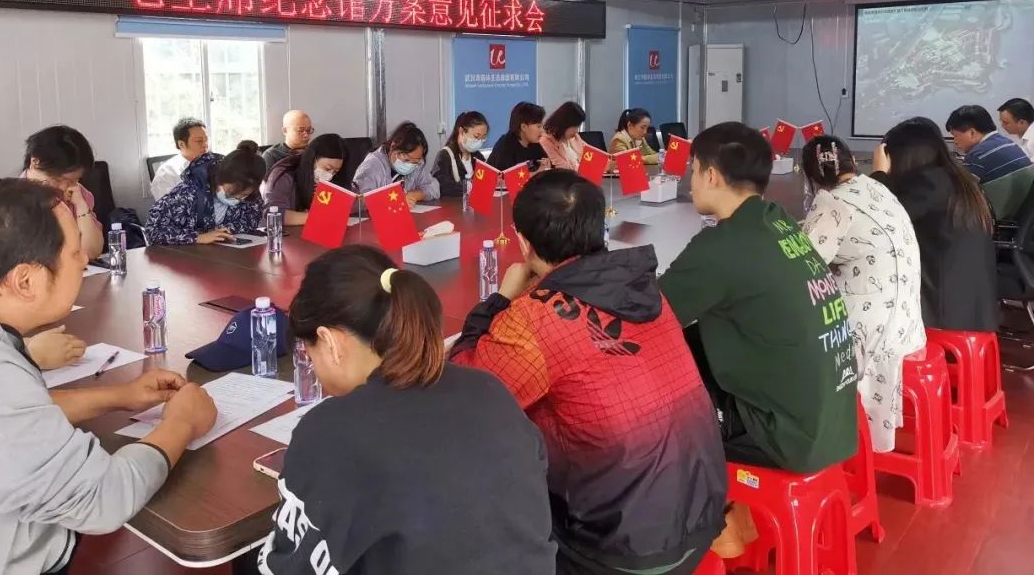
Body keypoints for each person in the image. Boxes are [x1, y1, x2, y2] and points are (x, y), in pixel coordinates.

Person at [451, 170, 727, 575]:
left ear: (524, 243)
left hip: (621, 548)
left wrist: (499, 300)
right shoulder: (645, 287)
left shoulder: (533, 318)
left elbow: (467, 389)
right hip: (702, 517)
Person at [0, 178, 217, 575]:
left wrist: (119, 396)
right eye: (75, 251)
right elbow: (102, 499)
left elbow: (6, 418)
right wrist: (182, 422)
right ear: (25, 281)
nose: (84, 261)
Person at [258, 245, 556, 575]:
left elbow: (287, 566)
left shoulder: (329, 430)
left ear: (330, 342)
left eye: (309, 353)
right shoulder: (489, 389)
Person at [658, 122, 858, 473]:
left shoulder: (724, 246)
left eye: (694, 169)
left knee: (650, 395)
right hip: (831, 422)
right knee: (693, 340)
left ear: (711, 175)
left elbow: (652, 315)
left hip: (784, 435)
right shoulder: (778, 221)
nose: (690, 180)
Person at [801, 135, 926, 453]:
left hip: (873, 337)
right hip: (909, 327)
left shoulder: (830, 204)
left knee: (792, 335)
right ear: (853, 163)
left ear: (810, 178)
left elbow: (801, 265)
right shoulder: (879, 189)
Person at [871, 118, 998, 332]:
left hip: (943, 314)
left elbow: (876, 221)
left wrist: (878, 174)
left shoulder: (927, 183)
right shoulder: (957, 179)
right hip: (971, 310)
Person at [145, 141, 265, 245]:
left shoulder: (250, 190)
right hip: (182, 258)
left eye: (244, 195)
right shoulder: (188, 193)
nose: (237, 200)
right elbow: (152, 231)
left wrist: (222, 231)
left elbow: (251, 220)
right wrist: (198, 237)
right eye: (230, 193)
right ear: (218, 178)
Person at [22, 125, 104, 258]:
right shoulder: (9, 199)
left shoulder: (78, 193)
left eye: (74, 180)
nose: (63, 187)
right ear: (35, 162)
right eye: (57, 179)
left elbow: (91, 252)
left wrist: (81, 206)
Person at [263, 134, 347, 226]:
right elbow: (274, 214)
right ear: (312, 159)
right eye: (327, 168)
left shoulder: (331, 179)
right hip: (284, 233)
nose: (330, 175)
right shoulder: (283, 174)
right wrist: (317, 216)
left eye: (335, 171)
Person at [352, 122, 439, 207]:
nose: (410, 165)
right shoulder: (372, 165)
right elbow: (359, 202)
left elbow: (434, 188)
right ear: (393, 146)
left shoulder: (417, 164)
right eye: (406, 159)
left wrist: (415, 195)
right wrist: (395, 199)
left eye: (415, 162)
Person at [945, 104, 1031, 183]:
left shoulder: (977, 155)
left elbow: (962, 189)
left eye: (955, 135)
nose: (955, 141)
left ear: (972, 133)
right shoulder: (1007, 142)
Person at [150, 117, 209, 200]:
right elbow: (169, 207)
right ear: (181, 144)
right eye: (199, 141)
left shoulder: (211, 164)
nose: (205, 144)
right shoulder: (166, 174)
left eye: (206, 139)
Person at [433, 111, 489, 197]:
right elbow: (440, 185)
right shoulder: (445, 155)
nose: (479, 142)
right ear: (461, 131)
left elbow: (484, 178)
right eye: (476, 136)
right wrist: (468, 186)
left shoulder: (477, 156)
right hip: (453, 204)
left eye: (483, 138)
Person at [487, 101, 551, 172]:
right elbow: (508, 177)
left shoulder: (535, 143)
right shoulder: (505, 146)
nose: (542, 130)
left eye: (542, 126)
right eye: (538, 126)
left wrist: (546, 165)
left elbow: (544, 165)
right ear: (523, 127)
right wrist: (538, 172)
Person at [261, 110, 315, 177]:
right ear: (285, 131)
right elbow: (267, 182)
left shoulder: (314, 152)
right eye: (300, 130)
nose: (306, 135)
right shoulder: (271, 155)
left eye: (309, 130)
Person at [540, 101, 589, 171]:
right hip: (568, 177)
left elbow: (593, 155)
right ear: (564, 123)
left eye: (578, 127)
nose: (576, 131)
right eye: (574, 126)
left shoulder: (575, 137)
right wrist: (588, 168)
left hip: (583, 176)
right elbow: (562, 168)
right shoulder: (546, 141)